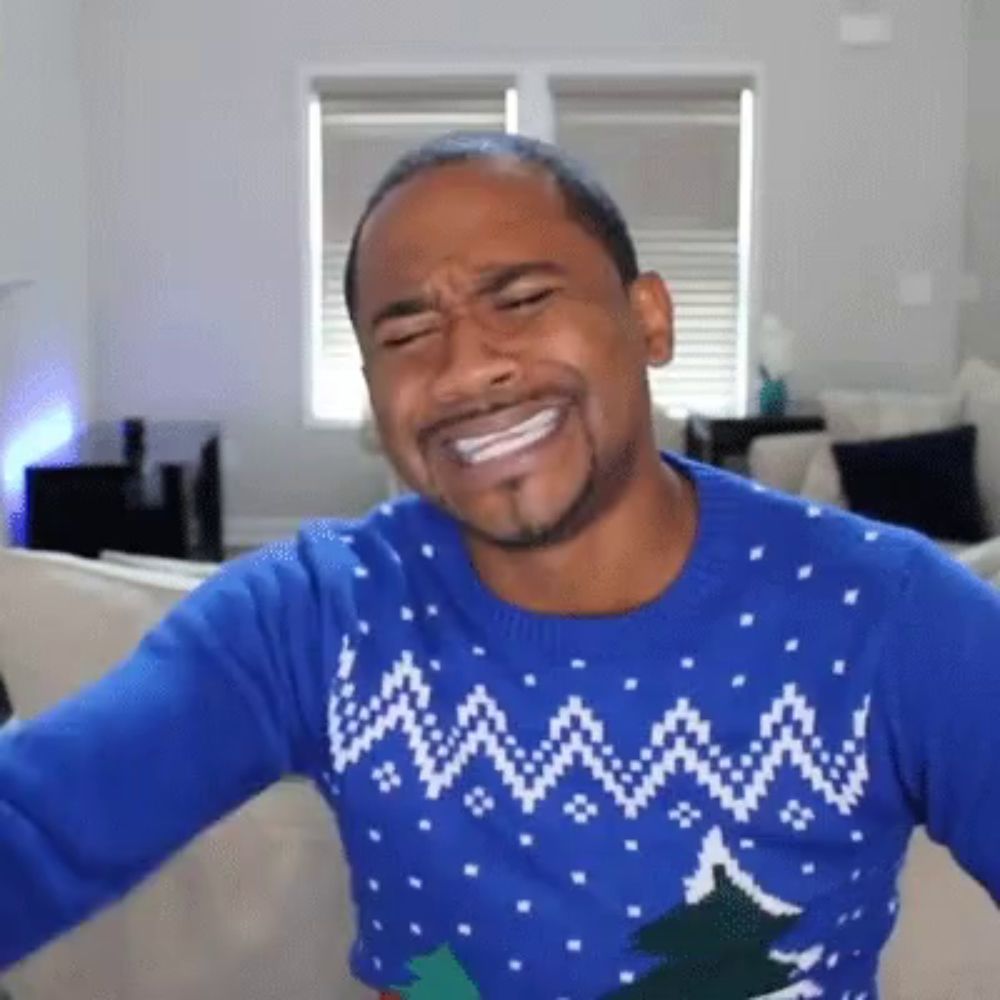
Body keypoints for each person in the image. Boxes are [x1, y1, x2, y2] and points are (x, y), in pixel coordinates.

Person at [2, 131, 999, 1000]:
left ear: (647, 318)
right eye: (407, 331)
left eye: (520, 297)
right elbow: (36, 827)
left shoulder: (890, 613)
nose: (465, 365)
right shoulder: (317, 614)